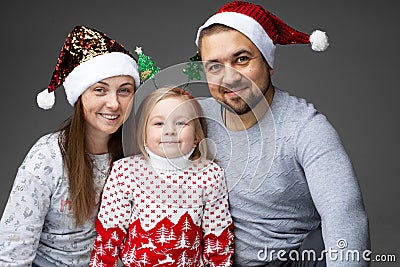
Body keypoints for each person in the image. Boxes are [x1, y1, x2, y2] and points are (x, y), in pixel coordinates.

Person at [194, 1, 370, 267]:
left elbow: (343, 214)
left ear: (268, 63)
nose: (229, 78)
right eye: (215, 66)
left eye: (241, 59)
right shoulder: (193, 119)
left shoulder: (306, 128)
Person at [0, 25, 140, 266]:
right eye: (100, 90)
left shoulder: (137, 152)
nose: (114, 104)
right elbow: (13, 251)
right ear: (79, 97)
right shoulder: (48, 157)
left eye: (124, 91)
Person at [89, 87, 234, 267]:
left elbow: (218, 238)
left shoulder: (209, 175)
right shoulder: (125, 172)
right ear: (144, 135)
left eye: (181, 123)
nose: (170, 130)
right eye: (158, 123)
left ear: (197, 136)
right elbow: (109, 237)